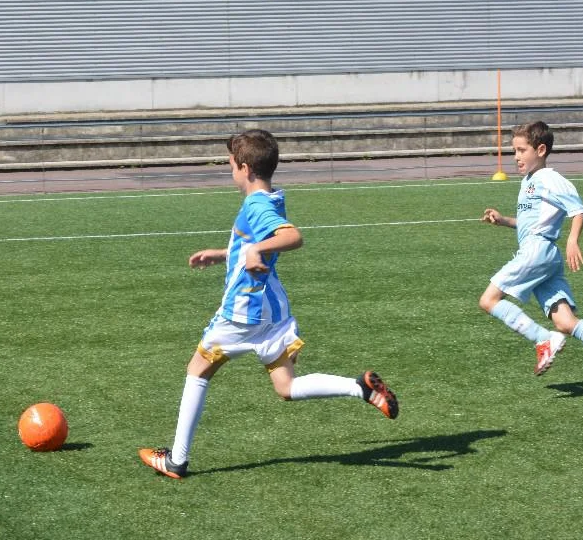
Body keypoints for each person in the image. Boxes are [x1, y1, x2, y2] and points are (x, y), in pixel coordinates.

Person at [139, 129, 398, 479]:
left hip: (242, 312)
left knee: (197, 370)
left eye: (231, 165)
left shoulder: (256, 205)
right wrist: (226, 254)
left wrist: (256, 250)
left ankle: (177, 460)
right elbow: (257, 240)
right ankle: (359, 388)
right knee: (286, 387)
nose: (230, 171)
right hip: (271, 310)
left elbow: (292, 236)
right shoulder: (273, 198)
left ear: (245, 168)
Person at [479, 121, 583, 396]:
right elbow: (531, 222)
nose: (516, 157)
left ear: (541, 150)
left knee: (488, 300)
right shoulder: (529, 181)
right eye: (514, 151)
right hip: (542, 255)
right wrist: (503, 220)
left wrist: (572, 240)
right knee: (565, 322)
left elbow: (578, 210)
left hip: (538, 251)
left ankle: (543, 339)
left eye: (522, 150)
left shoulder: (549, 179)